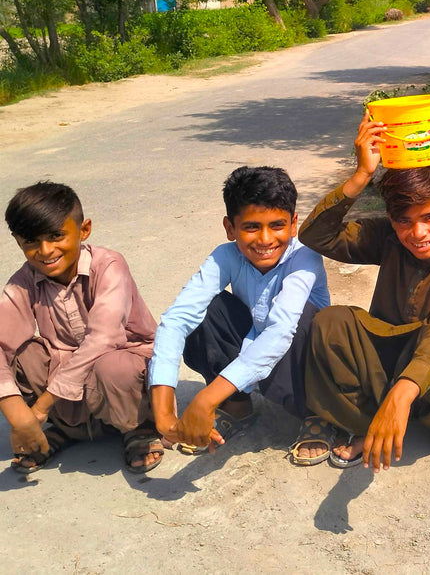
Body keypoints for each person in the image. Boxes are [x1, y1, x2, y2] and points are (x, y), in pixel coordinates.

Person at [295, 113, 430, 476]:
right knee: (330, 321)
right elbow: (315, 236)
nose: (417, 233)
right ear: (390, 217)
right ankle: (368, 419)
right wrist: (360, 176)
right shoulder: (386, 237)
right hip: (388, 353)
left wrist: (402, 393)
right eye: (404, 221)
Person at [149, 166, 330, 458]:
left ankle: (317, 414)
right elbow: (176, 319)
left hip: (305, 363)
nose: (265, 239)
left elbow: (280, 331)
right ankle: (236, 404)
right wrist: (163, 411)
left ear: (294, 224)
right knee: (204, 310)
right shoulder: (225, 256)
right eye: (251, 227)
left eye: (277, 225)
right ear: (230, 228)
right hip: (257, 348)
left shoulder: (304, 258)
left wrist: (206, 399)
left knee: (307, 317)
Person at [1, 182, 162, 475]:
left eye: (56, 236)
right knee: (25, 355)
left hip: (121, 372)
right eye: (31, 242)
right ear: (17, 242)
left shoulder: (109, 264)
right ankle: (69, 430)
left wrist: (39, 408)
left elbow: (103, 339)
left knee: (112, 365)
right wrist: (19, 417)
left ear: (84, 229)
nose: (45, 251)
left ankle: (138, 428)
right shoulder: (23, 282)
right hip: (70, 388)